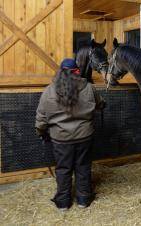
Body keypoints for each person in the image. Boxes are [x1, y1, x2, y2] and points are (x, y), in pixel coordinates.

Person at [35, 58, 105, 210]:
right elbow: (100, 104)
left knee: (63, 169)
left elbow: (41, 118)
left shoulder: (49, 91)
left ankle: (63, 203)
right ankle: (83, 200)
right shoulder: (89, 88)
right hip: (84, 137)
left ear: (60, 72)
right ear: (77, 72)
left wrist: (41, 132)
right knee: (83, 166)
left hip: (61, 139)